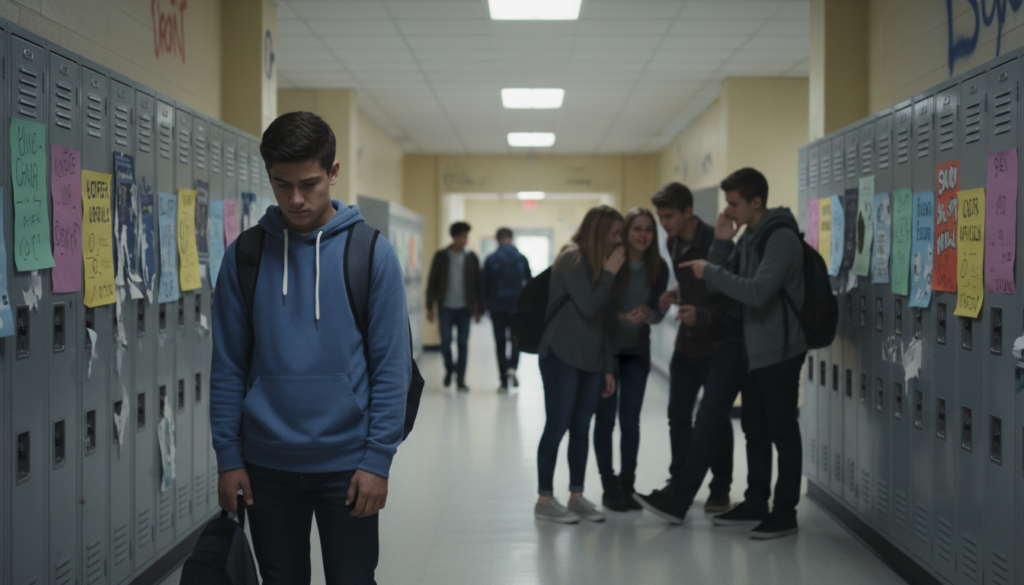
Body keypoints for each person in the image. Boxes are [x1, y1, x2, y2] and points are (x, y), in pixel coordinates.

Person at [210, 111, 412, 584]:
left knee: (353, 579)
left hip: (348, 463)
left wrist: (378, 459)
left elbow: (391, 369)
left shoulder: (371, 253)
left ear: (334, 173)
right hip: (266, 464)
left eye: (310, 183)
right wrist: (229, 457)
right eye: (282, 185)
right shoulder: (245, 256)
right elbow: (227, 367)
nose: (296, 199)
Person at [671, 168, 806, 540]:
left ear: (756, 201)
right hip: (753, 347)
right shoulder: (749, 236)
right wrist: (720, 242)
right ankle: (756, 501)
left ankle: (785, 512)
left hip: (779, 350)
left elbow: (758, 291)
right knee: (755, 430)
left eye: (734, 203)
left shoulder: (779, 237)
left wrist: (712, 268)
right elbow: (721, 283)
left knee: (782, 431)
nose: (729, 210)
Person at [632, 183, 738, 519]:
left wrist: (702, 314)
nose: (663, 224)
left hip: (716, 343)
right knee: (678, 415)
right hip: (686, 343)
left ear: (687, 212)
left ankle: (719, 488)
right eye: (661, 217)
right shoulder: (673, 241)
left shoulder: (715, 242)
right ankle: (678, 482)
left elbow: (731, 296)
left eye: (668, 216)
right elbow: (696, 285)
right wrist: (675, 292)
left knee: (715, 418)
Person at [534, 205, 626, 524]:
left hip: (591, 359)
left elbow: (603, 320)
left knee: (581, 429)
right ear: (599, 232)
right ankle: (545, 500)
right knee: (557, 426)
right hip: (561, 355)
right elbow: (588, 306)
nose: (619, 241)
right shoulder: (571, 259)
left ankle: (576, 495)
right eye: (615, 234)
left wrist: (609, 366)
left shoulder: (602, 265)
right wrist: (611, 273)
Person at [593, 208, 668, 511]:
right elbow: (595, 308)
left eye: (648, 229)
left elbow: (659, 313)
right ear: (625, 232)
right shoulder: (613, 261)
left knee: (631, 422)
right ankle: (608, 486)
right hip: (607, 353)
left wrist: (652, 314)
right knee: (605, 420)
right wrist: (621, 316)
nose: (642, 235)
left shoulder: (658, 267)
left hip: (636, 353)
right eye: (636, 228)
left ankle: (628, 484)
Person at [426, 222, 481, 391]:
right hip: (446, 308)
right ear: (455, 237)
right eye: (463, 236)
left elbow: (478, 285)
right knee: (446, 342)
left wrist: (478, 309)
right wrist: (429, 307)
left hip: (465, 309)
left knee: (463, 344)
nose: (465, 240)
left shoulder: (471, 257)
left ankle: (461, 379)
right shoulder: (441, 256)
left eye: (466, 236)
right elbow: (432, 282)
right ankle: (450, 369)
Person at [480, 227, 532, 392]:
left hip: (497, 307)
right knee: (516, 339)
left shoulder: (491, 259)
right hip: (517, 307)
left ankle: (503, 381)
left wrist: (483, 307)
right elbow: (530, 284)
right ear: (511, 238)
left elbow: (484, 286)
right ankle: (512, 367)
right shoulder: (521, 258)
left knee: (500, 342)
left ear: (497, 239)